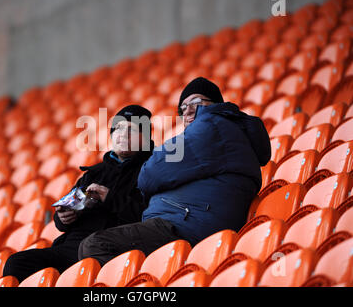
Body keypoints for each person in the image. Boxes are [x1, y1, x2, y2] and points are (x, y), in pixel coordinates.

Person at [78, 77, 271, 266]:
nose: (187, 111)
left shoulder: (211, 125)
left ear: (214, 104)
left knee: (95, 245)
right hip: (192, 221)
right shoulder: (220, 130)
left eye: (195, 103)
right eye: (183, 107)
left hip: (190, 226)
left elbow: (149, 174)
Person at [3, 105, 154, 282]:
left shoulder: (152, 168)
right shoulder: (94, 173)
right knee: (17, 262)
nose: (122, 134)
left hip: (109, 247)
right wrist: (64, 217)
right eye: (118, 128)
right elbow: (61, 220)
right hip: (72, 247)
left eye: (131, 129)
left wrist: (109, 197)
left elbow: (149, 217)